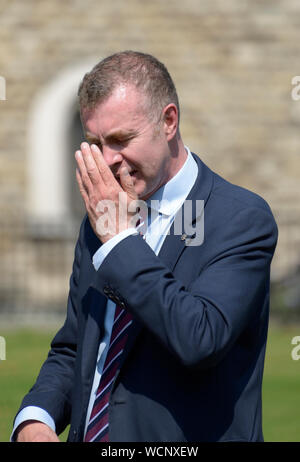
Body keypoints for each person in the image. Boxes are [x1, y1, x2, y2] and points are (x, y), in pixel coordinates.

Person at [13, 51, 278, 442]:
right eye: (95, 143)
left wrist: (120, 241)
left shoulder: (239, 218)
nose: (107, 160)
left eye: (121, 140)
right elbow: (77, 346)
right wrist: (37, 417)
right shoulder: (101, 220)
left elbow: (200, 338)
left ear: (168, 121)